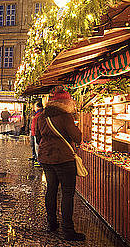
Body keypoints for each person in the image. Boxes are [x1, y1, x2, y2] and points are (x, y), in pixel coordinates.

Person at [35, 89, 85, 242]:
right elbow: (77, 138)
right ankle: (68, 231)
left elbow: (37, 137)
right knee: (67, 193)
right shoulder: (65, 116)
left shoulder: (41, 116)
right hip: (63, 158)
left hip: (46, 157)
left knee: (51, 189)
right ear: (66, 103)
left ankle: (51, 223)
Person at [30, 100, 43, 165]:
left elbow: (37, 126)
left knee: (37, 147)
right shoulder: (37, 114)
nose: (33, 108)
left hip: (36, 133)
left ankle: (39, 161)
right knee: (35, 147)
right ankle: (36, 158)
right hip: (34, 132)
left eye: (34, 106)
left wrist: (35, 133)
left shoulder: (39, 114)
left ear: (37, 107)